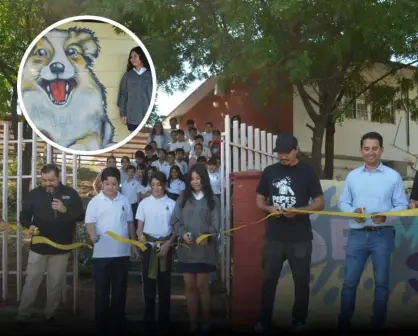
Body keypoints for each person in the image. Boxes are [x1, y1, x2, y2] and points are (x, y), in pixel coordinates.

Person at [338, 132, 409, 329]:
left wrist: (386, 215)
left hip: (382, 236)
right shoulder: (352, 176)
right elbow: (343, 202)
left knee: (382, 284)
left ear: (381, 150)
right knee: (350, 282)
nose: (371, 152)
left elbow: (402, 205)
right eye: (367, 148)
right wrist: (352, 212)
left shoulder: (393, 176)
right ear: (362, 151)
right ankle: (343, 323)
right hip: (357, 235)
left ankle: (377, 324)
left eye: (375, 148)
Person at [254, 134, 324, 333]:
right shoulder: (269, 172)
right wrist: (269, 209)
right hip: (274, 237)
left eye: (286, 152)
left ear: (296, 150)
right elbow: (259, 199)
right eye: (279, 153)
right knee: (268, 280)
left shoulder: (307, 171)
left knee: (301, 281)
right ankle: (264, 321)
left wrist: (299, 211)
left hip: (300, 238)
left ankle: (299, 320)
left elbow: (320, 202)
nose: (282, 156)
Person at [17, 164, 85, 328]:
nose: (48, 183)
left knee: (55, 282)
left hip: (61, 247)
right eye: (45, 180)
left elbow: (81, 216)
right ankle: (23, 314)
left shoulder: (70, 194)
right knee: (32, 280)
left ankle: (50, 314)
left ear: (59, 177)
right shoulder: (34, 194)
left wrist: (65, 209)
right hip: (39, 246)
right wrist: (29, 226)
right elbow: (24, 214)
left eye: (51, 180)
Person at [85, 167, 139, 334]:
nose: (110, 187)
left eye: (113, 184)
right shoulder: (95, 202)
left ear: (119, 184)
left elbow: (130, 223)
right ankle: (101, 321)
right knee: (101, 289)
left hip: (122, 253)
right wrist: (92, 236)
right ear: (101, 184)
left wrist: (133, 244)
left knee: (119, 289)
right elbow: (90, 223)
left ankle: (118, 319)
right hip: (101, 253)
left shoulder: (124, 201)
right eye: (107, 184)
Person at [172, 164, 221, 333]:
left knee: (202, 286)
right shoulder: (183, 198)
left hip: (205, 251)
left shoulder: (213, 199)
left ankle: (206, 321)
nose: (195, 182)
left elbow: (216, 225)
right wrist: (182, 233)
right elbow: (175, 221)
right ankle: (193, 322)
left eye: (198, 178)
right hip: (187, 249)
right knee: (189, 286)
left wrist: (208, 236)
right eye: (192, 179)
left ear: (204, 179)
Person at [135, 171, 177, 331]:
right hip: (149, 248)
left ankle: (165, 321)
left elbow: (175, 229)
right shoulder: (144, 203)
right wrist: (141, 240)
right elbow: (139, 229)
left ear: (164, 185)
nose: (156, 188)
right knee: (149, 285)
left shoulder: (172, 204)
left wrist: (168, 244)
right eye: (153, 185)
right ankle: (149, 320)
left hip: (166, 247)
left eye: (159, 184)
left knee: (165, 287)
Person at [117, 46, 153, 131]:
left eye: (135, 56)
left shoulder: (150, 75)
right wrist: (123, 114)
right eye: (131, 57)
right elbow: (123, 95)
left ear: (142, 56)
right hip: (131, 117)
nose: (132, 59)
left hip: (147, 118)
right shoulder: (127, 76)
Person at [120, 165, 143, 229]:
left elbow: (139, 194)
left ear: (134, 173)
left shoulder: (137, 183)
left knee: (133, 222)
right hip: (125, 205)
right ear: (126, 172)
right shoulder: (123, 183)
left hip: (133, 205)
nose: (130, 173)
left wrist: (138, 205)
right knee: (125, 221)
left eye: (132, 171)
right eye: (129, 171)